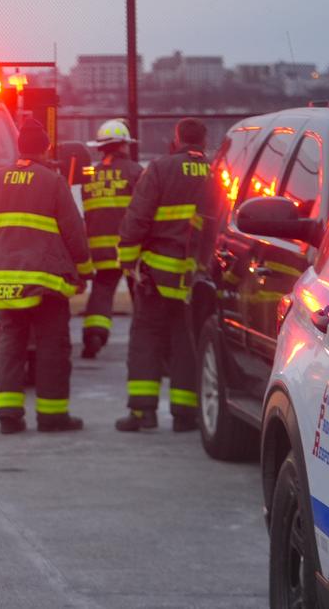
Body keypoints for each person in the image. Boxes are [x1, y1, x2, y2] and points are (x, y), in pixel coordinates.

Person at [0, 119, 93, 435]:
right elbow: (74, 233)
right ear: (46, 148)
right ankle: (52, 416)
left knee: (10, 341)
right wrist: (83, 272)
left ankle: (8, 415)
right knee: (52, 344)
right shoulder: (53, 182)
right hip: (45, 281)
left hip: (3, 281)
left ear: (19, 147)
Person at [114, 118, 211, 433]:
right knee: (187, 341)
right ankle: (185, 414)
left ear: (178, 138)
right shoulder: (220, 172)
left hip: (157, 275)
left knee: (146, 339)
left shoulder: (159, 169)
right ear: (204, 141)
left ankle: (143, 413)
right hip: (197, 280)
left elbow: (138, 217)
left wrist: (128, 262)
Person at [79, 119, 143, 359]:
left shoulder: (90, 176)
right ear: (122, 146)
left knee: (102, 291)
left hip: (99, 250)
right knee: (141, 296)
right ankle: (143, 342)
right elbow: (143, 210)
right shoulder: (135, 172)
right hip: (130, 248)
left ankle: (93, 335)